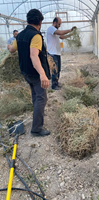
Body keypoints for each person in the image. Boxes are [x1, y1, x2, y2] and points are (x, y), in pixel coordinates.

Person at [7, 9, 51, 137]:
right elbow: (34, 55)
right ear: (40, 22)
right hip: (35, 73)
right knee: (41, 98)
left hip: (25, 72)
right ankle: (36, 129)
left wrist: (8, 46)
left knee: (35, 96)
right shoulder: (35, 36)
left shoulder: (20, 35)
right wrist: (42, 74)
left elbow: (11, 50)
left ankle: (37, 115)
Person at [47, 17, 76, 90]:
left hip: (57, 53)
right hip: (52, 53)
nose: (60, 25)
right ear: (55, 22)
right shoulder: (51, 28)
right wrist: (70, 30)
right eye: (59, 24)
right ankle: (53, 85)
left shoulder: (55, 31)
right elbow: (60, 33)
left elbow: (62, 37)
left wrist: (72, 34)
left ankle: (56, 83)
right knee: (55, 70)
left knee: (58, 69)